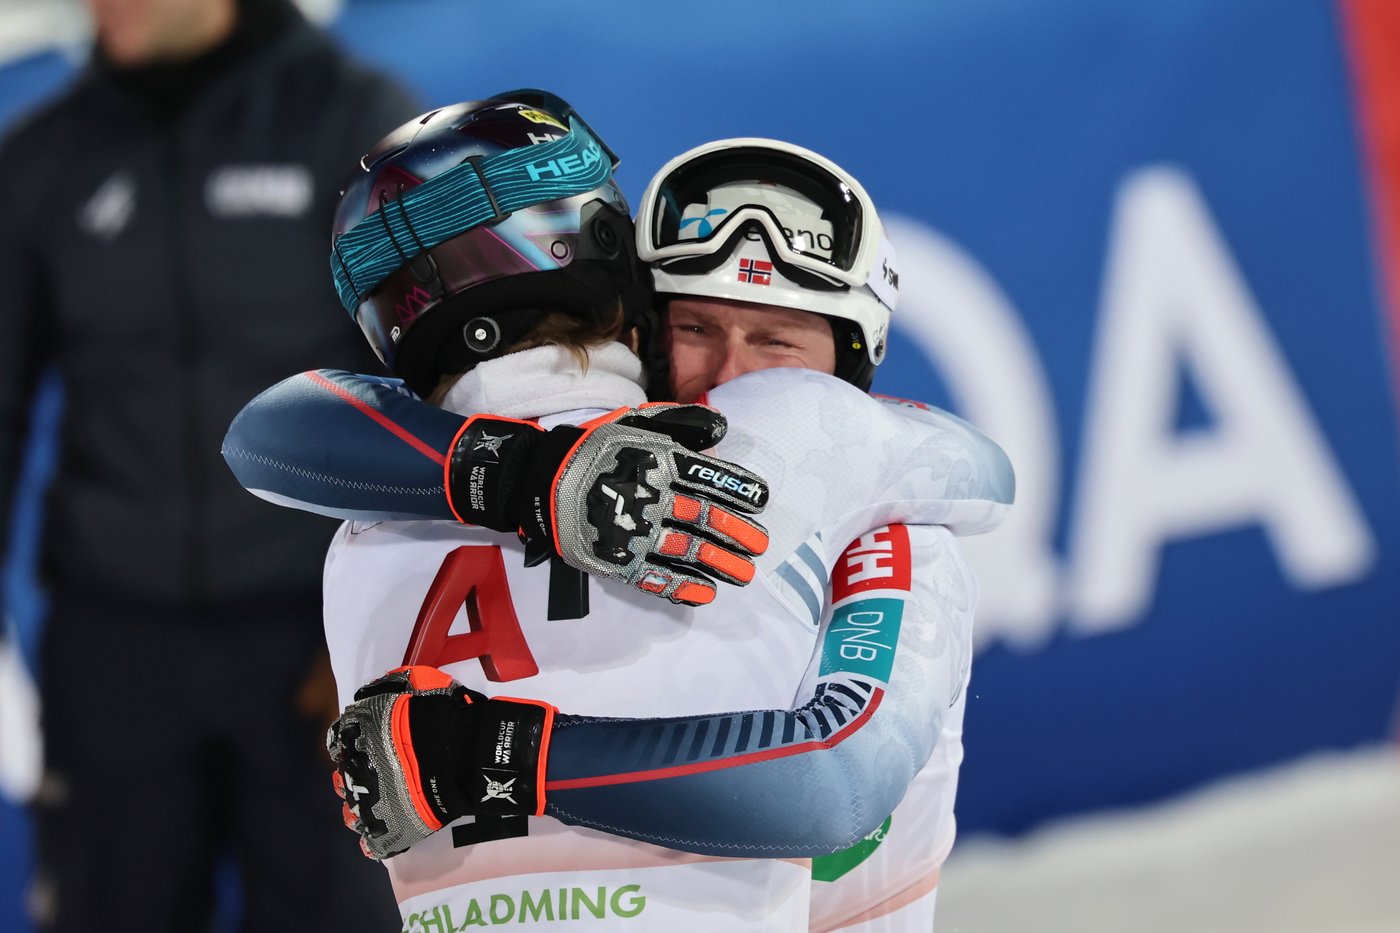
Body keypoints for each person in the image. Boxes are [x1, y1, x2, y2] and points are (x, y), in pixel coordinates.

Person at [222, 95, 1012, 931]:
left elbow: (269, 434)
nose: (731, 378)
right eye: (698, 327)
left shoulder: (361, 526)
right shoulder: (815, 448)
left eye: (780, 348)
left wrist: (496, 755)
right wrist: (537, 475)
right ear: (634, 313)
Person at [0, 0, 421, 929]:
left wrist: (385, 634)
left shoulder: (355, 128)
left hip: (318, 641)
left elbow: (430, 395)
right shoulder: (40, 157)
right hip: (115, 650)